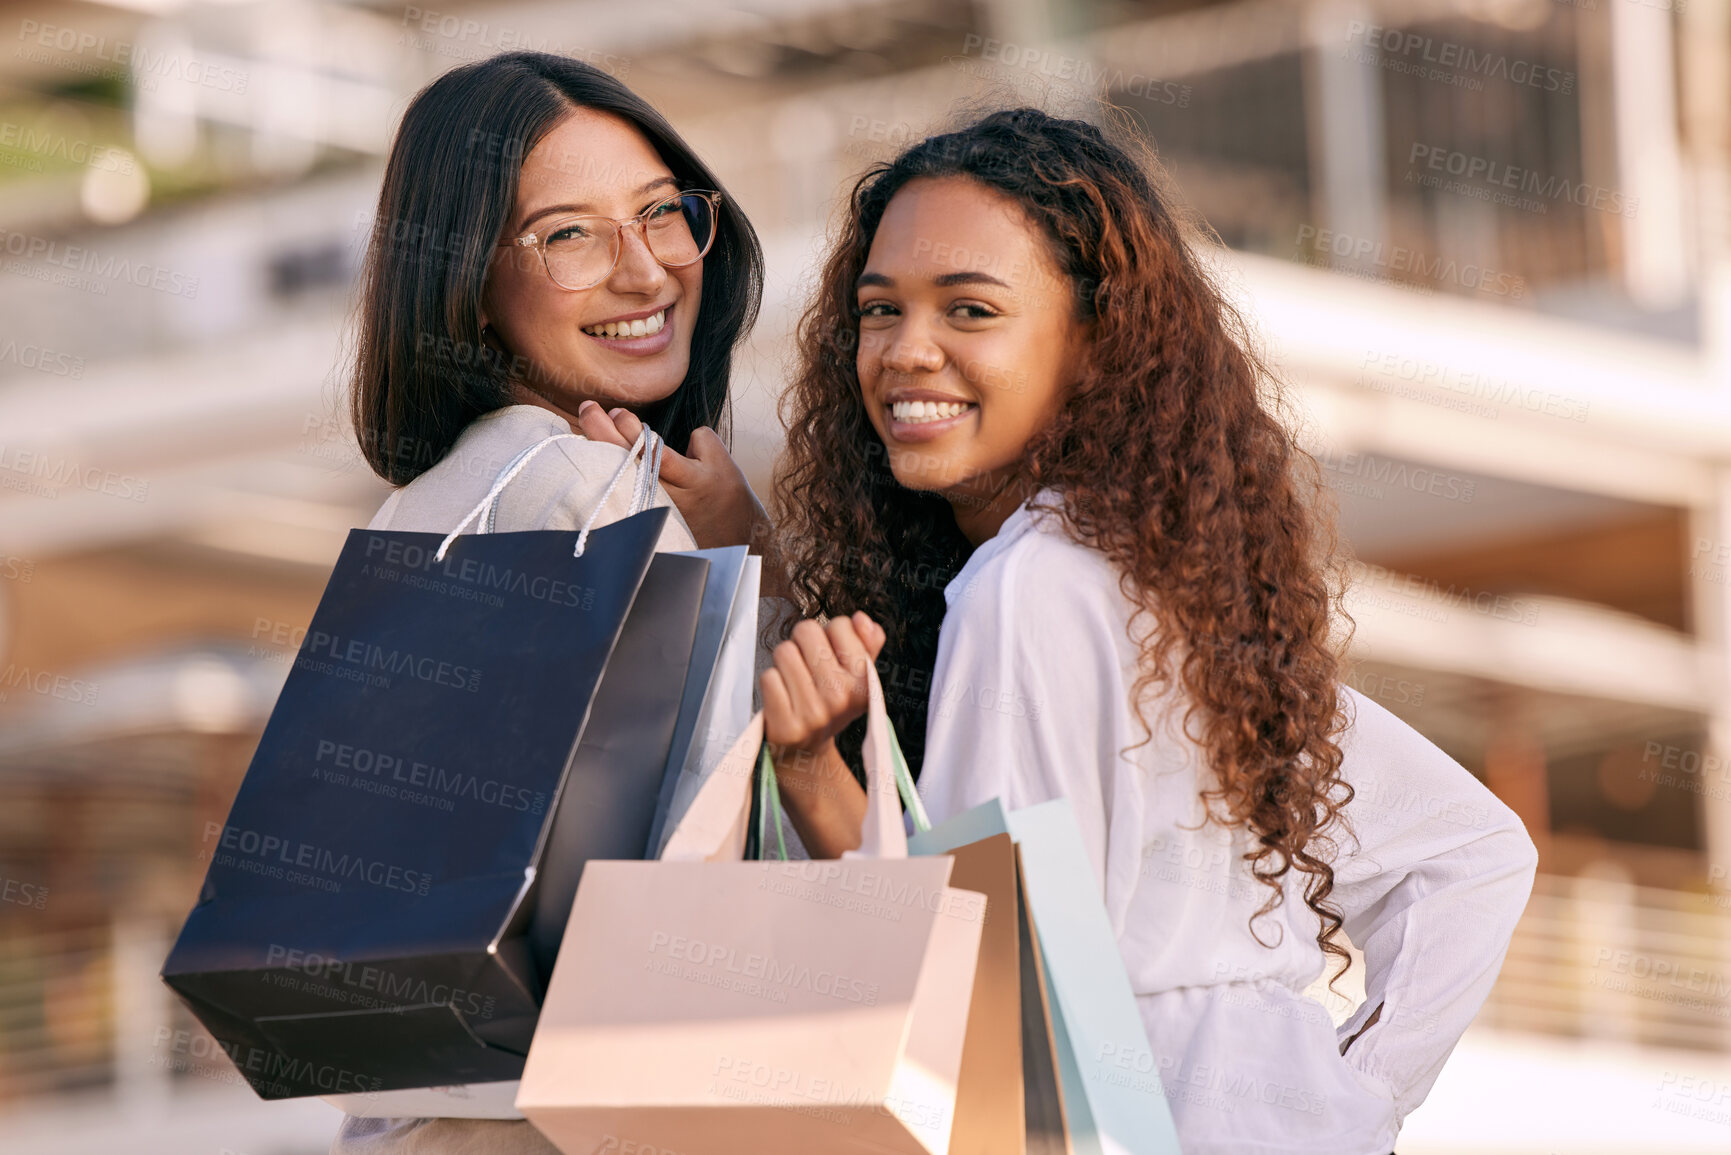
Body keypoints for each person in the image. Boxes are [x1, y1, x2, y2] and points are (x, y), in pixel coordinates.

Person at [759, 108, 1539, 1155]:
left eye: (971, 309)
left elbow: (979, 1003)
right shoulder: (1168, 597)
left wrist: (810, 772)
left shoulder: (1025, 589)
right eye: (879, 309)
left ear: (1096, 343)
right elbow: (1471, 854)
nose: (908, 351)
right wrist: (1349, 1094)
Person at [331, 50, 766, 1155]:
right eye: (571, 234)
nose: (646, 271)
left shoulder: (408, 518)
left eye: (661, 213)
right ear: (468, 278)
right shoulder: (598, 493)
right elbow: (726, 858)